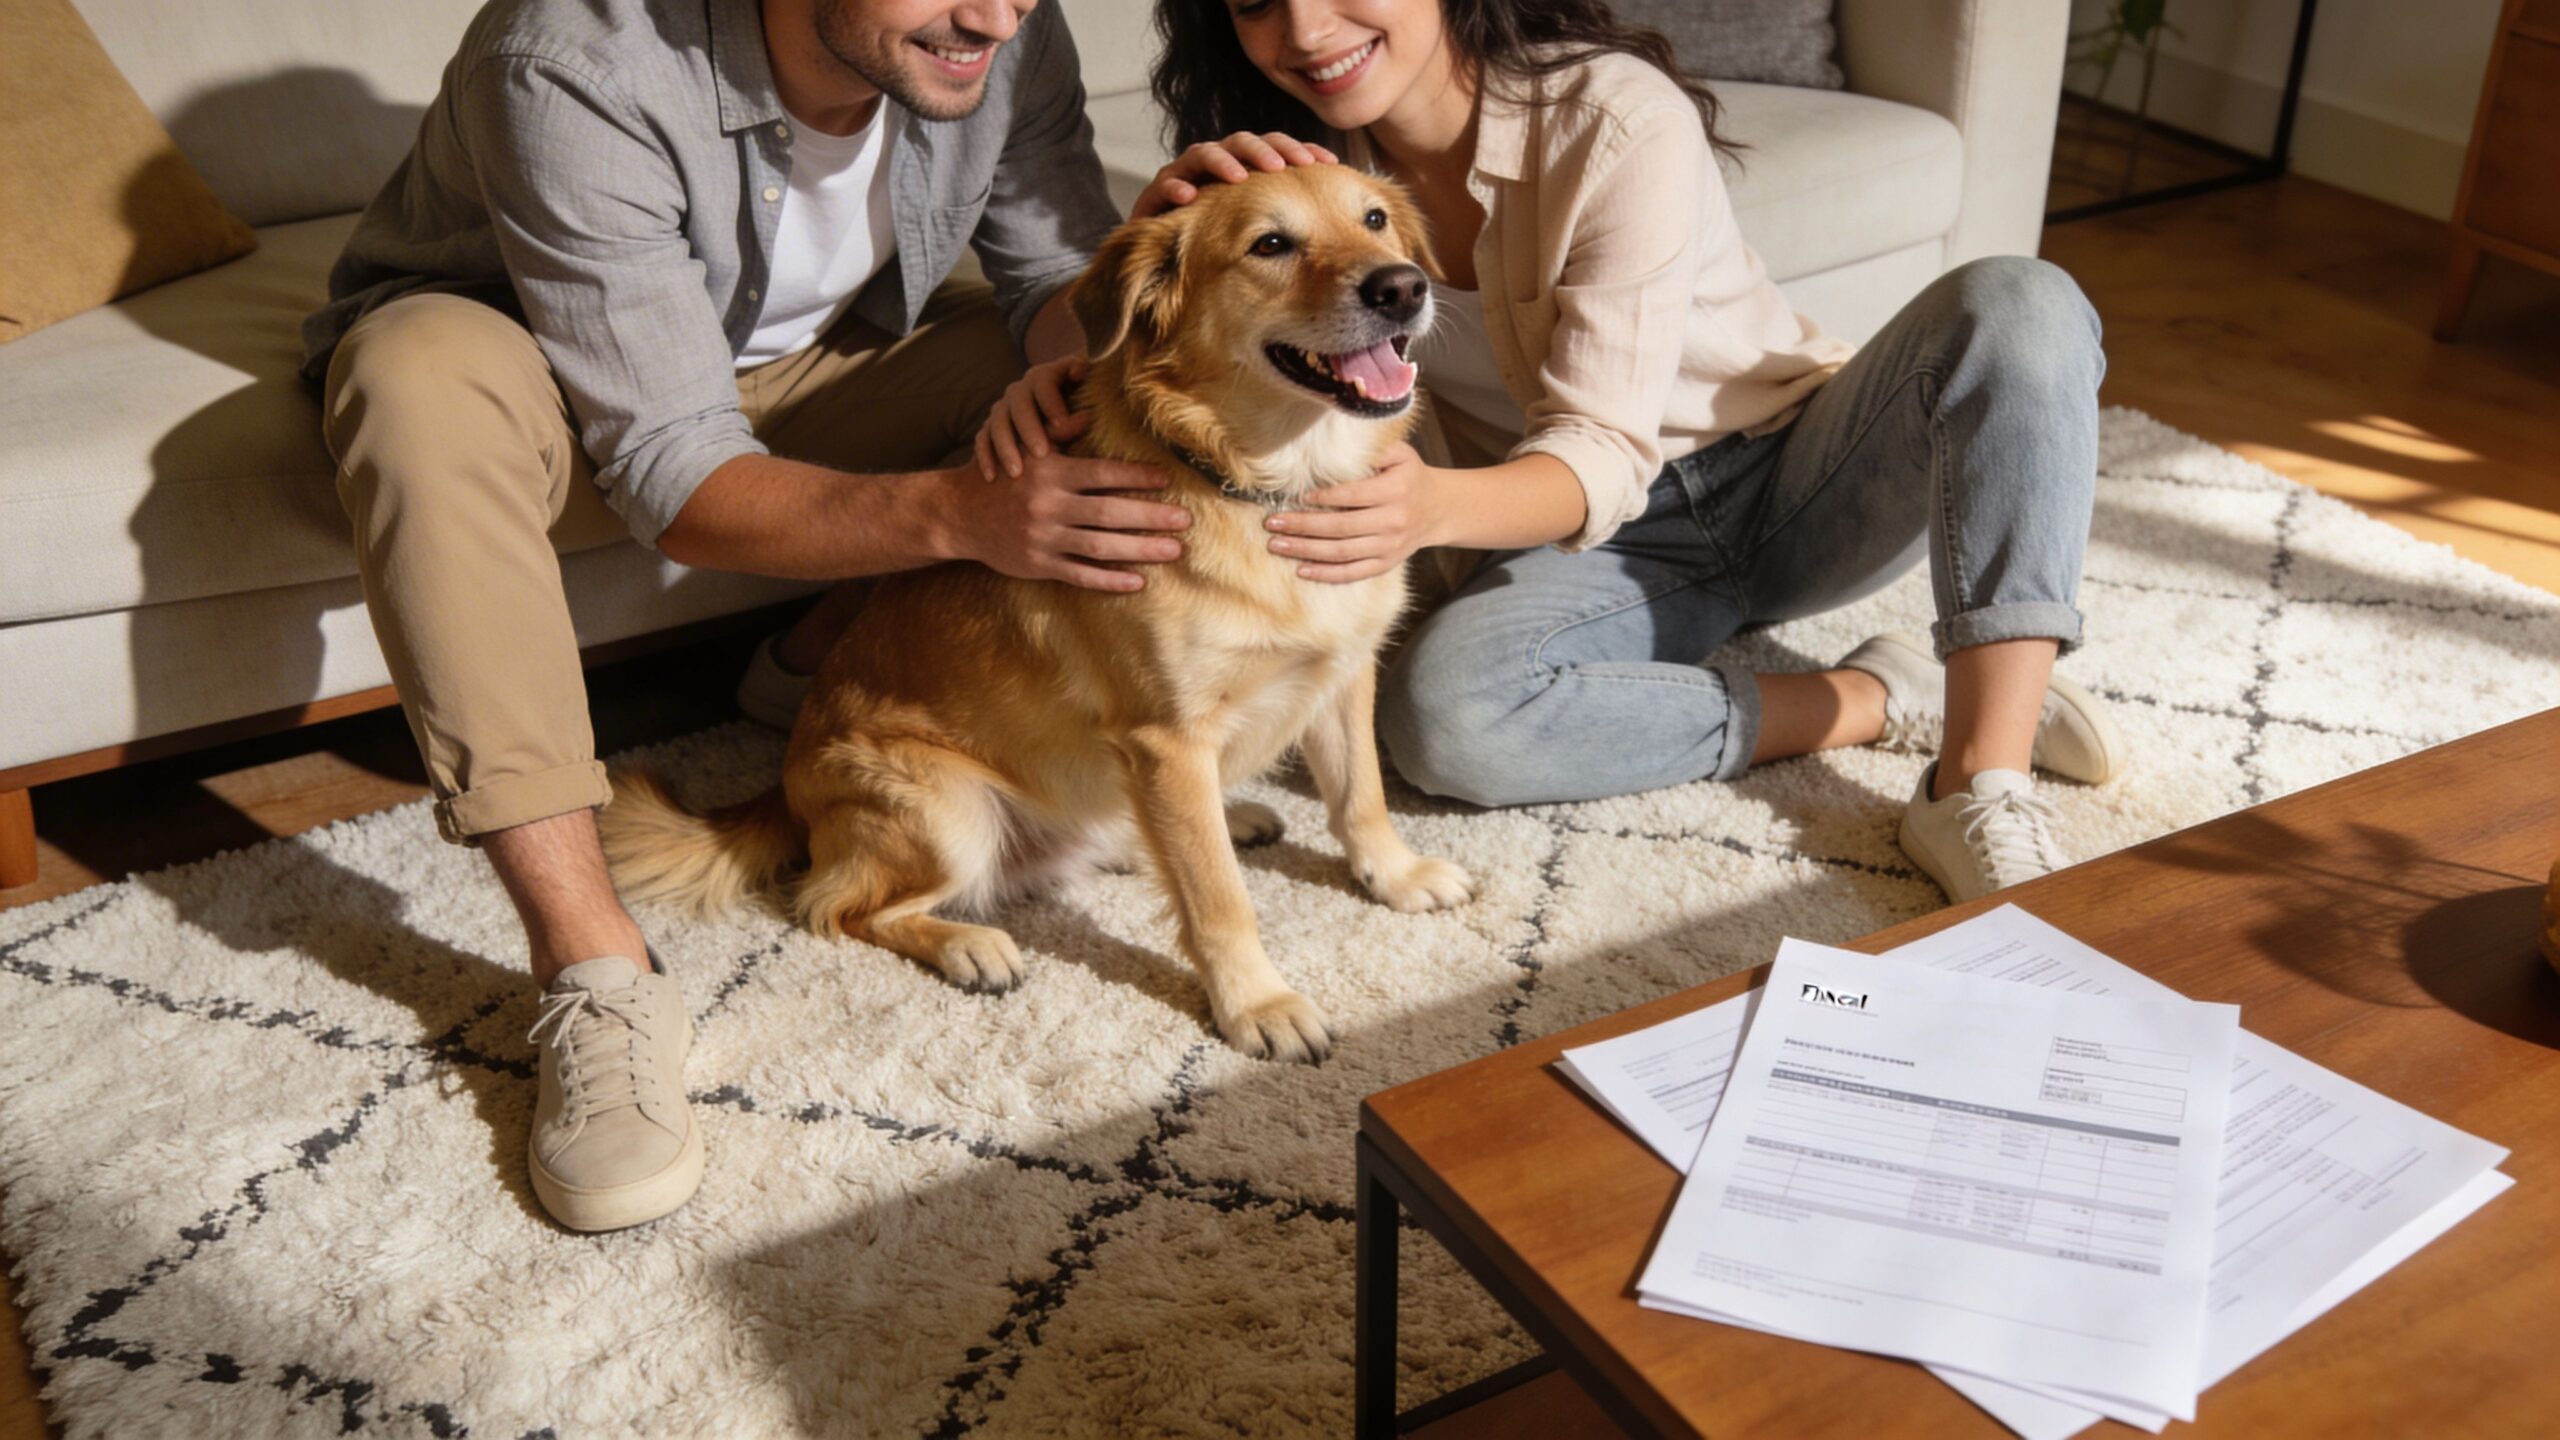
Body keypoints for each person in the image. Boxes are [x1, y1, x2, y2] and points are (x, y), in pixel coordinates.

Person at [302, 0, 1205, 1231]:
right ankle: (593, 970)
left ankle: (819, 664)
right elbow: (675, 471)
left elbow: (1051, 290)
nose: (994, 13)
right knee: (412, 383)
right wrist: (962, 517)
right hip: (541, 388)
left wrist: (1173, 250)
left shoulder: (994, 28)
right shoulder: (570, 58)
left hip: (799, 365)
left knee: (1075, 393)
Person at [1125, 0, 2127, 904]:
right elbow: (1140, 359)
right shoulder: (1274, 183)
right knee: (1446, 720)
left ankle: (1978, 779)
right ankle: (1885, 694)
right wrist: (1147, 237)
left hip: (1789, 476)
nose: (1303, 30)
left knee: (2018, 302)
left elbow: (1600, 445)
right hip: (1579, 551)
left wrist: (1425, 509)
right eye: (1258, 0)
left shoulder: (1614, 118)